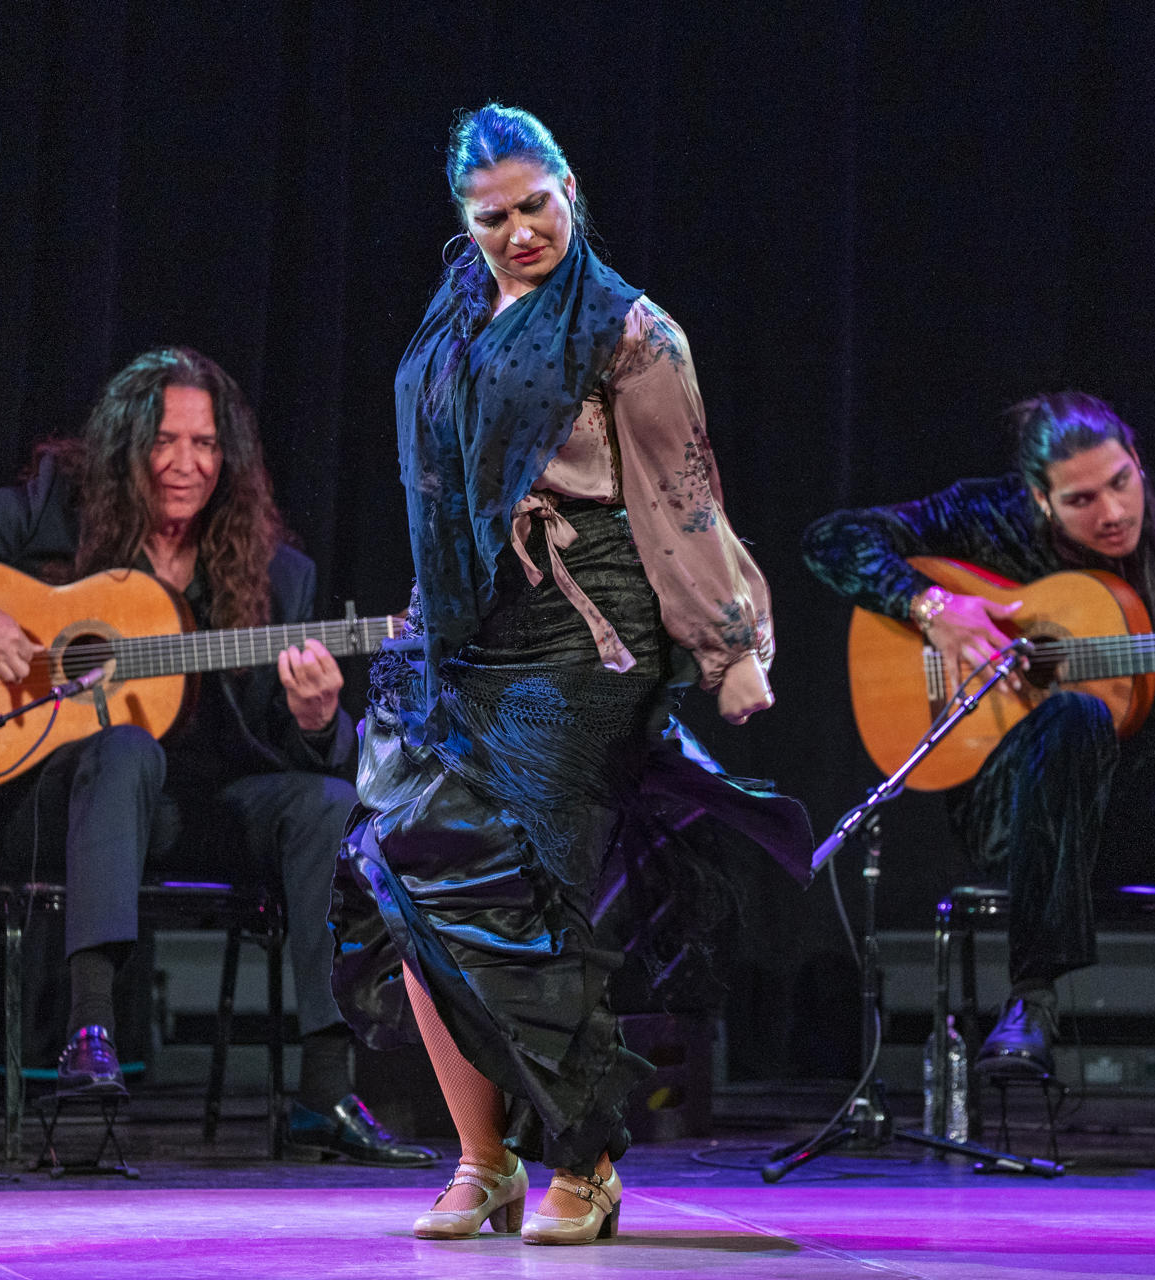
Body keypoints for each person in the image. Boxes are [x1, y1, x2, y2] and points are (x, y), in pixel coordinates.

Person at [329, 105, 809, 1245]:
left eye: (535, 204)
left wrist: (729, 650)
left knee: (511, 883)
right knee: (409, 874)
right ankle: (483, 1159)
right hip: (467, 631)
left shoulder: (630, 331)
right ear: (464, 221)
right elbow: (447, 488)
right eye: (491, 216)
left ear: (570, 188)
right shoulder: (454, 316)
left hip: (594, 628)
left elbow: (684, 500)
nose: (519, 230)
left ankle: (584, 1154)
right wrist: (429, 605)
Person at [0, 346, 434, 1166]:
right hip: (66, 808)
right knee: (123, 746)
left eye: (207, 444)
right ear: (127, 446)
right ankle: (90, 1032)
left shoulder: (275, 579)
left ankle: (324, 1088)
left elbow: (303, 752)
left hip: (203, 816)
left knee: (327, 806)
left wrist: (319, 718)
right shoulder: (57, 514)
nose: (187, 464)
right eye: (166, 441)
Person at [802, 391, 1155, 1181]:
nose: (1112, 511)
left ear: (1139, 467)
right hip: (1016, 811)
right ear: (1039, 499)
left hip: (1138, 816)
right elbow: (831, 540)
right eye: (1082, 499)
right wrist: (932, 608)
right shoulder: (987, 522)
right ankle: (1033, 998)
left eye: (1122, 483)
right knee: (1073, 719)